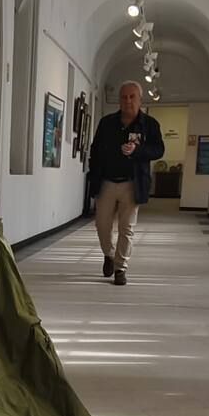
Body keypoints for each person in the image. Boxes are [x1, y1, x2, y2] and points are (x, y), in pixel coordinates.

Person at [87, 81, 165, 286]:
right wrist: (93, 174)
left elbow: (158, 150)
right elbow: (95, 149)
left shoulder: (149, 124)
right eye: (124, 97)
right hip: (106, 182)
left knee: (126, 228)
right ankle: (109, 254)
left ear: (140, 100)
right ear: (119, 100)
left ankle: (120, 267)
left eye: (132, 97)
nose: (128, 100)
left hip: (132, 183)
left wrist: (138, 151)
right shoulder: (107, 123)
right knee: (102, 226)